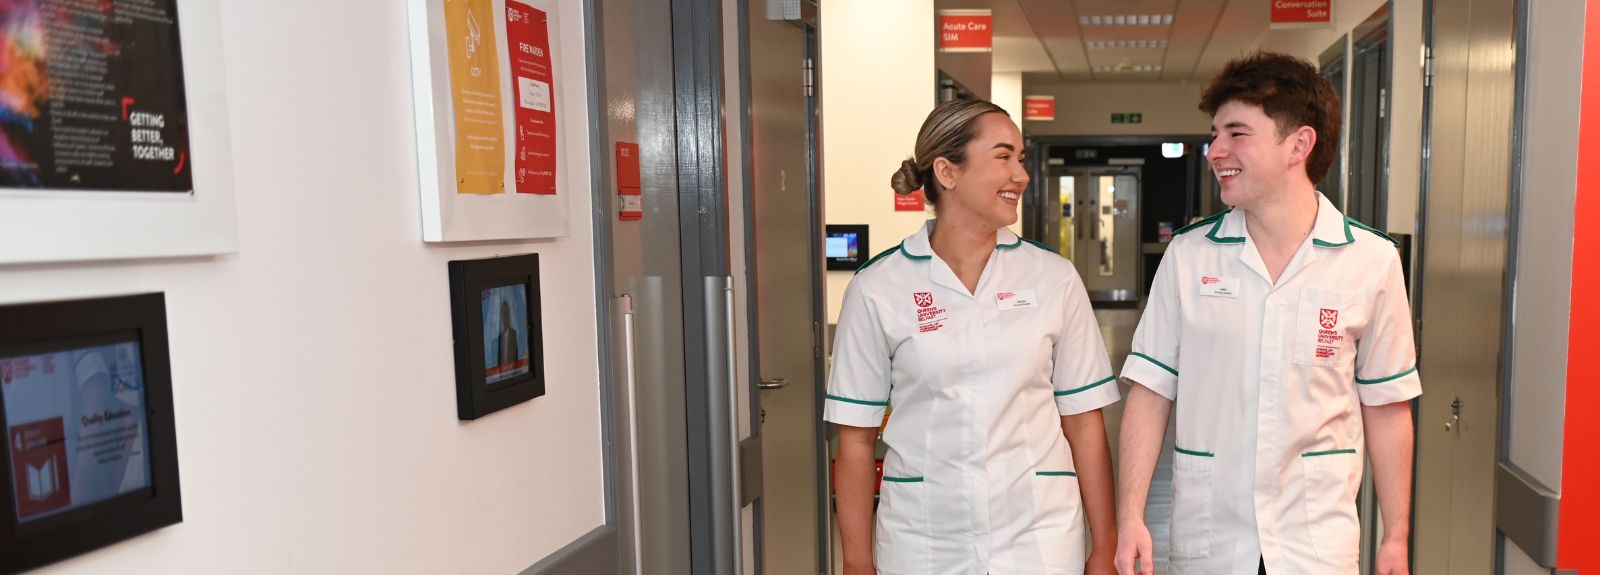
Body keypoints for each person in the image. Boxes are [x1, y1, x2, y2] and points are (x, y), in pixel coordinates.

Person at [1112, 52, 1420, 575]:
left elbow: (1387, 406)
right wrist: (1130, 516)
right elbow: (1150, 391)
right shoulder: (1190, 255)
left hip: (1316, 541)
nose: (1216, 151)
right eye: (1215, 134)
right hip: (1212, 537)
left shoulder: (1371, 260)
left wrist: (1396, 535)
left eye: (1237, 133)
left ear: (1299, 144)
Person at [825, 98, 1120, 575]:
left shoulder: (1053, 278)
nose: (1021, 175)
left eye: (1021, 158)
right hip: (924, 540)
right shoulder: (878, 287)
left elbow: (1084, 421)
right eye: (1003, 157)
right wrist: (857, 563)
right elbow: (856, 439)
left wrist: (1104, 546)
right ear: (947, 172)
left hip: (1039, 535)